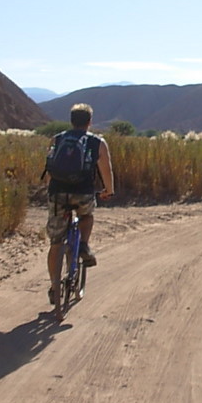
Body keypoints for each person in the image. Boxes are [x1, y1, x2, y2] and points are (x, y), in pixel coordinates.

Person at [44, 103, 114, 305]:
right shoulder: (97, 142)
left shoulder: (57, 139)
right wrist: (109, 191)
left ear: (71, 120)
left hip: (57, 193)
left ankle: (55, 286)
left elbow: (50, 169)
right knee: (87, 215)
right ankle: (83, 245)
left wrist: (51, 190)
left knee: (55, 243)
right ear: (90, 122)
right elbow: (106, 170)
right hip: (83, 192)